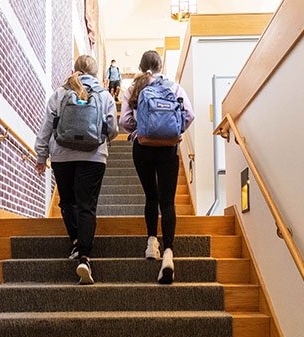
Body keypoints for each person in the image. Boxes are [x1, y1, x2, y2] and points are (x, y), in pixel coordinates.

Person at [35, 55, 118, 284]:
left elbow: (46, 128)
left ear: (75, 70)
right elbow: (112, 129)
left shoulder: (60, 93)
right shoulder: (104, 95)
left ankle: (74, 242)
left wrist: (41, 156)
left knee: (67, 202)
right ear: (94, 72)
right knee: (87, 206)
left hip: (62, 155)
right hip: (94, 156)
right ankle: (84, 256)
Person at [119, 50, 194, 284]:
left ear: (141, 67)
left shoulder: (133, 89)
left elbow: (123, 122)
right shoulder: (174, 87)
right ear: (161, 66)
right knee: (168, 201)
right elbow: (189, 115)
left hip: (142, 148)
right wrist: (172, 131)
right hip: (169, 149)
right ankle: (169, 252)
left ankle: (152, 243)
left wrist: (141, 129)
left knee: (151, 196)